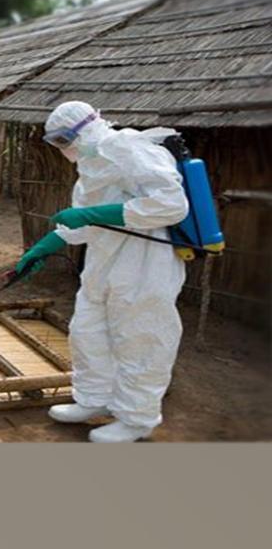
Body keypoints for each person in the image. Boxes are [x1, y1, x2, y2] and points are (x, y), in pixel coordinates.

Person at [14, 100, 190, 443]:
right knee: (87, 330)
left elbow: (172, 205)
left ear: (86, 128)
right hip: (103, 260)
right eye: (55, 142)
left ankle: (137, 419)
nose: (61, 148)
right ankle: (93, 398)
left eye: (63, 139)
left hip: (145, 260)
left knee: (140, 337)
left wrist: (94, 215)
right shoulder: (91, 165)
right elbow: (83, 222)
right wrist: (44, 246)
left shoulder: (131, 149)